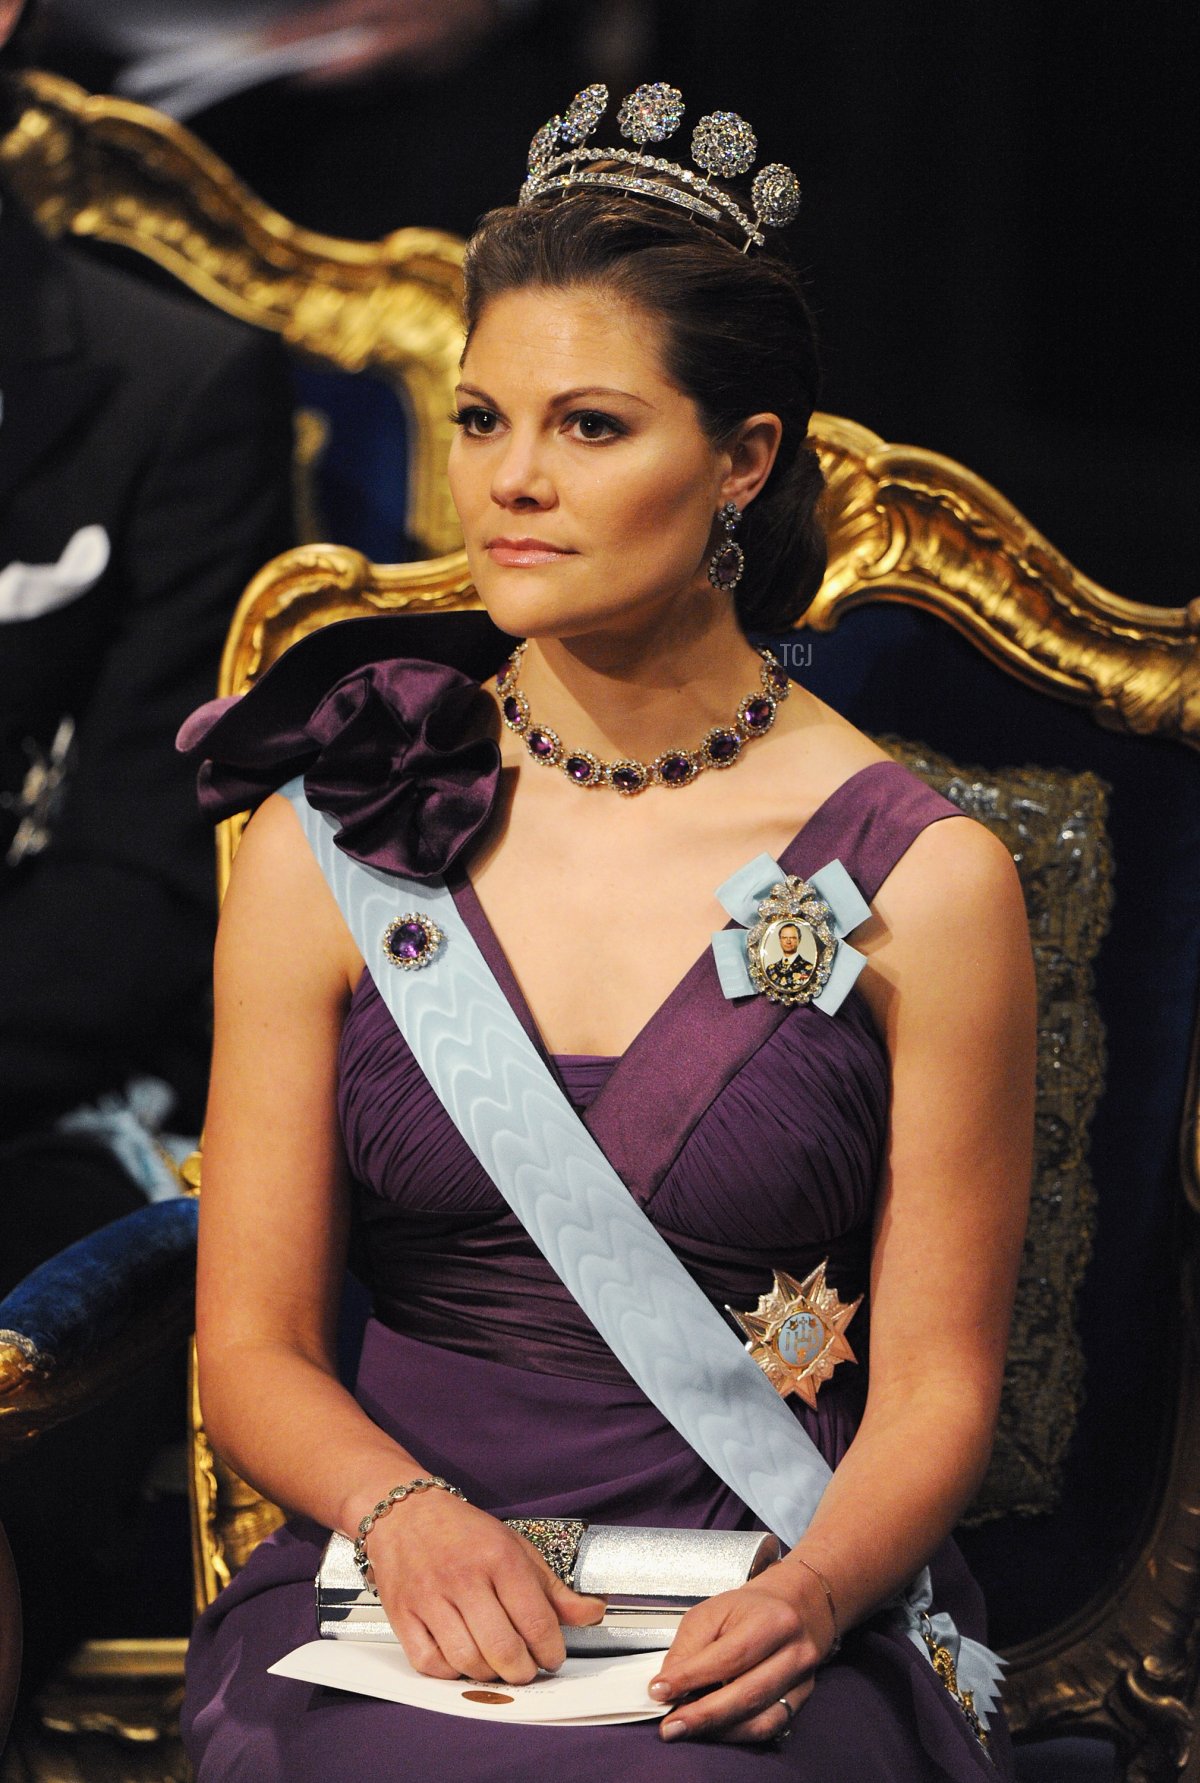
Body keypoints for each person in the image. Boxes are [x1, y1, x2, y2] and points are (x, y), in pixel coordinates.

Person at [178, 81, 1035, 1780]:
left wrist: (818, 1597)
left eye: (588, 428)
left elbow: (938, 1389)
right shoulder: (332, 838)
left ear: (741, 459)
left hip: (764, 1600)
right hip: (389, 1589)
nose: (509, 483)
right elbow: (249, 1346)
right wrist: (404, 1514)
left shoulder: (929, 884)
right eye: (482, 419)